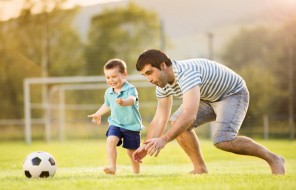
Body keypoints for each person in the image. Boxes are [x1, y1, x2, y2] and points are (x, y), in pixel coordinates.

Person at [132, 49, 285, 175]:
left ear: (163, 65)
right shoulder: (161, 85)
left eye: (150, 72)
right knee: (176, 122)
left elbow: (189, 115)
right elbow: (159, 119)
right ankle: (200, 169)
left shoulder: (186, 74)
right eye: (145, 75)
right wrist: (146, 146)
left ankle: (274, 159)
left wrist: (164, 139)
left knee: (223, 140)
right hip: (207, 98)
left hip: (232, 94)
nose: (148, 79)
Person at [88, 59, 143, 175]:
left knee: (131, 152)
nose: (111, 80)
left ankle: (136, 172)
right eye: (107, 77)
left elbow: (132, 100)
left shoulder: (130, 89)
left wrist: (125, 102)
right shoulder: (108, 92)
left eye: (114, 76)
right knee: (111, 141)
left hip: (131, 125)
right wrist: (98, 113)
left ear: (124, 74)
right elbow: (107, 105)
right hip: (115, 123)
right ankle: (112, 167)